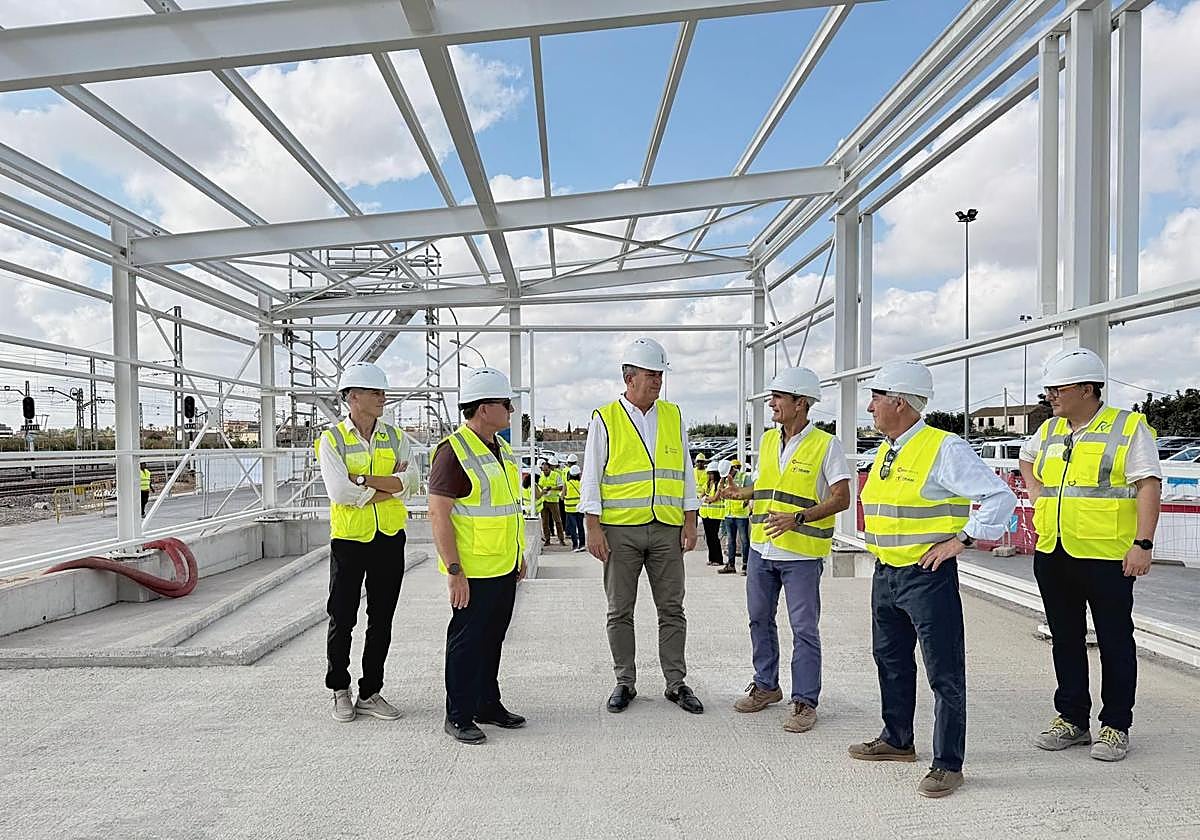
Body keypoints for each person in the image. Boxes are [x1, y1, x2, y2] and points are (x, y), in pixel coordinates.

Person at [850, 359, 1017, 799]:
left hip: (928, 577)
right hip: (886, 573)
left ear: (899, 402)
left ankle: (948, 764)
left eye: (875, 397)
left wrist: (960, 539)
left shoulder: (943, 448)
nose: (869, 407)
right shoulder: (890, 449)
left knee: (944, 672)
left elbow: (999, 497)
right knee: (890, 661)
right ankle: (897, 739)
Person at [1018, 348, 1161, 762]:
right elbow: (1027, 460)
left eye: (1057, 389)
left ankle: (1116, 725)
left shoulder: (1127, 427)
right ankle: (1073, 719)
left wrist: (1143, 543)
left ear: (1087, 388)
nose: (1051, 396)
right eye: (1048, 389)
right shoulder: (1048, 430)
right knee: (1065, 639)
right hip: (1054, 550)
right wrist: (1036, 492)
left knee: (1115, 641)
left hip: (1107, 557)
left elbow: (1148, 485)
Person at [720, 367, 850, 733]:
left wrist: (800, 517)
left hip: (802, 556)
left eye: (779, 397)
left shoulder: (827, 445)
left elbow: (842, 498)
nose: (772, 403)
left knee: (804, 628)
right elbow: (769, 487)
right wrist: (741, 494)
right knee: (758, 619)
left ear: (801, 403)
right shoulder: (766, 441)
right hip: (762, 549)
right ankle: (766, 686)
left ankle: (805, 701)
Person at [580, 337, 703, 715]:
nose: (657, 381)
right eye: (651, 375)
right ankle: (625, 682)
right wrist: (593, 526)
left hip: (666, 527)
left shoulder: (673, 415)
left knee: (672, 609)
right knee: (620, 610)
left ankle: (676, 682)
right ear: (629, 377)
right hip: (620, 531)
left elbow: (684, 471)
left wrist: (690, 520)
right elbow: (591, 476)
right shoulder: (605, 418)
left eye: (660, 375)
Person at [427, 366, 528, 745]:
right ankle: (458, 714)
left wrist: (518, 554)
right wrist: (454, 571)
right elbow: (438, 513)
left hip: (502, 564)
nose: (512, 410)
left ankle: (488, 703)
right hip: (472, 569)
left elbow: (507, 508)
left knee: (493, 638)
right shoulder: (453, 452)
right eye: (506, 404)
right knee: (467, 641)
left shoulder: (499, 448)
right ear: (485, 409)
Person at [317, 362, 419, 724]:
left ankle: (371, 692)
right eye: (375, 392)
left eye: (382, 392)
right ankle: (339, 689)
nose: (382, 398)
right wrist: (385, 489)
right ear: (352, 397)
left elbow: (412, 481)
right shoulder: (332, 440)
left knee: (382, 619)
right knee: (342, 617)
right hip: (349, 541)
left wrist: (362, 480)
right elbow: (339, 491)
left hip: (389, 540)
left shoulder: (396, 437)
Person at [719, 458, 752, 575]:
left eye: (728, 473)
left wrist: (746, 500)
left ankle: (746, 566)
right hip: (729, 514)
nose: (727, 475)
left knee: (744, 541)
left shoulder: (744, 477)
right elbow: (721, 494)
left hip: (741, 514)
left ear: (733, 469)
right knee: (730, 540)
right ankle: (731, 565)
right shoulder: (724, 479)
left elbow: (751, 492)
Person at [699, 461, 725, 567]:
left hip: (715, 515)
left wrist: (707, 498)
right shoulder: (707, 484)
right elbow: (701, 495)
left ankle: (718, 559)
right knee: (709, 537)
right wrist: (705, 498)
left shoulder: (719, 484)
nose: (710, 475)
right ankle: (711, 558)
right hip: (706, 514)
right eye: (709, 473)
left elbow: (715, 498)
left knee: (714, 537)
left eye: (712, 473)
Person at [537, 459, 566, 547]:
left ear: (550, 469)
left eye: (546, 470)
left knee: (557, 521)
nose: (545, 471)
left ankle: (561, 539)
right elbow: (538, 486)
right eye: (543, 470)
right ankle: (547, 539)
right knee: (545, 522)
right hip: (544, 501)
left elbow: (561, 487)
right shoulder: (541, 476)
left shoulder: (556, 475)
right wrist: (542, 491)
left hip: (553, 501)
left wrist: (551, 488)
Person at [564, 464, 585, 552]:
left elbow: (562, 495)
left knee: (573, 527)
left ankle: (575, 545)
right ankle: (582, 544)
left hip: (569, 509)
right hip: (579, 508)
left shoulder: (567, 484)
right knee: (580, 526)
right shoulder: (582, 484)